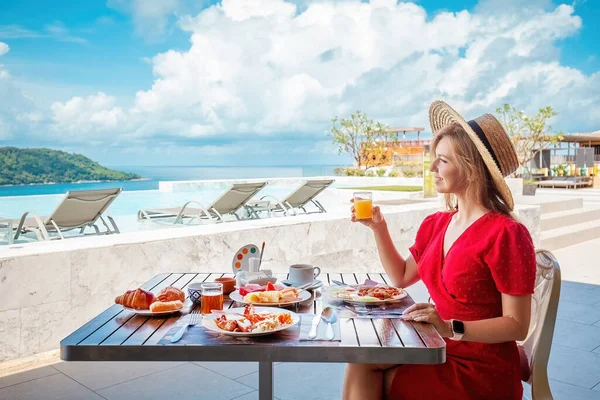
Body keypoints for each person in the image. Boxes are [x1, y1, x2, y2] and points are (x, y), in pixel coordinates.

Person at [343, 100, 536, 400]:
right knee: (361, 359)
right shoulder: (438, 224)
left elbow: (517, 325)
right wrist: (378, 227)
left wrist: (449, 327)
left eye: (443, 160)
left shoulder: (506, 234)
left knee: (370, 375)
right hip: (438, 346)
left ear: (473, 169)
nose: (432, 167)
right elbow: (401, 275)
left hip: (481, 368)